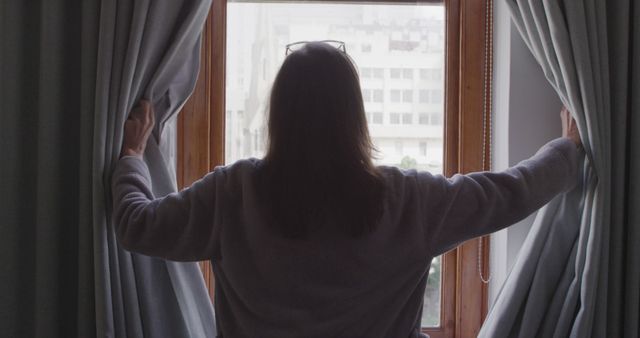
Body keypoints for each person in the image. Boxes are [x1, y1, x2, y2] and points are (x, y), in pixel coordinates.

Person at [112, 42, 581, 338]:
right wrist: (568, 150)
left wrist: (134, 156)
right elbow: (509, 193)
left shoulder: (233, 194)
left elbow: (137, 225)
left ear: (278, 117)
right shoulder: (408, 200)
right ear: (354, 117)